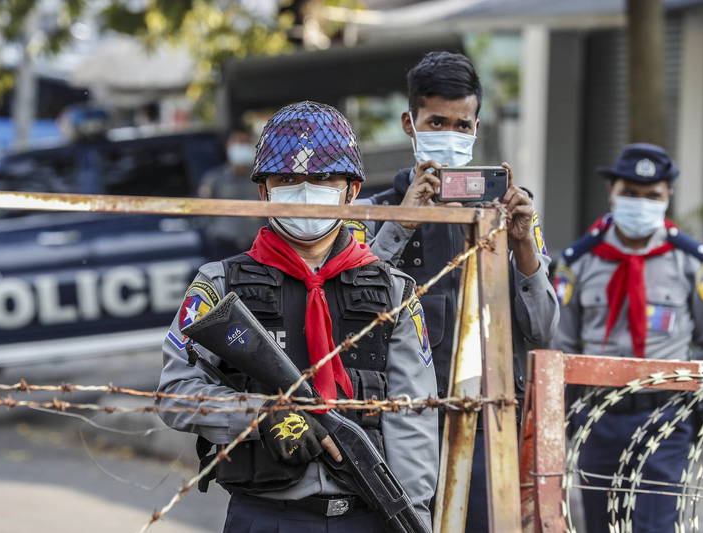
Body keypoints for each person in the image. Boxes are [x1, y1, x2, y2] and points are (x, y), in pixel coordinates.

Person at [157, 101, 438, 532]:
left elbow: (413, 420)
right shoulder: (220, 284)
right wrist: (261, 414)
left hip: (368, 517)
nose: (305, 190)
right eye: (287, 179)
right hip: (267, 516)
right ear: (263, 191)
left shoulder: (393, 291)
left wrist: (415, 518)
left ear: (352, 189)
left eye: (323, 178)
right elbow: (175, 392)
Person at [351, 50, 559, 532]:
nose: (450, 137)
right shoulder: (374, 215)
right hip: (396, 427)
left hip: (487, 425)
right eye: (436, 122)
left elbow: (545, 328)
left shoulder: (507, 216)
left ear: (477, 128)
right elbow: (354, 318)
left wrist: (524, 243)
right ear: (410, 123)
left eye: (462, 126)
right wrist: (404, 223)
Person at [553, 143, 703, 532]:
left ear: (668, 197)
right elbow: (564, 345)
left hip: (666, 416)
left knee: (654, 525)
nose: (640, 203)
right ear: (611, 191)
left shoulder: (692, 260)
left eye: (652, 196)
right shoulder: (579, 261)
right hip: (599, 417)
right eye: (630, 193)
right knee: (601, 523)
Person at [198, 126, 263, 256]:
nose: (241, 146)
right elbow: (204, 212)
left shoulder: (261, 178)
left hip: (257, 245)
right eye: (237, 142)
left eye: (245, 142)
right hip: (224, 245)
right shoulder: (214, 179)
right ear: (228, 145)